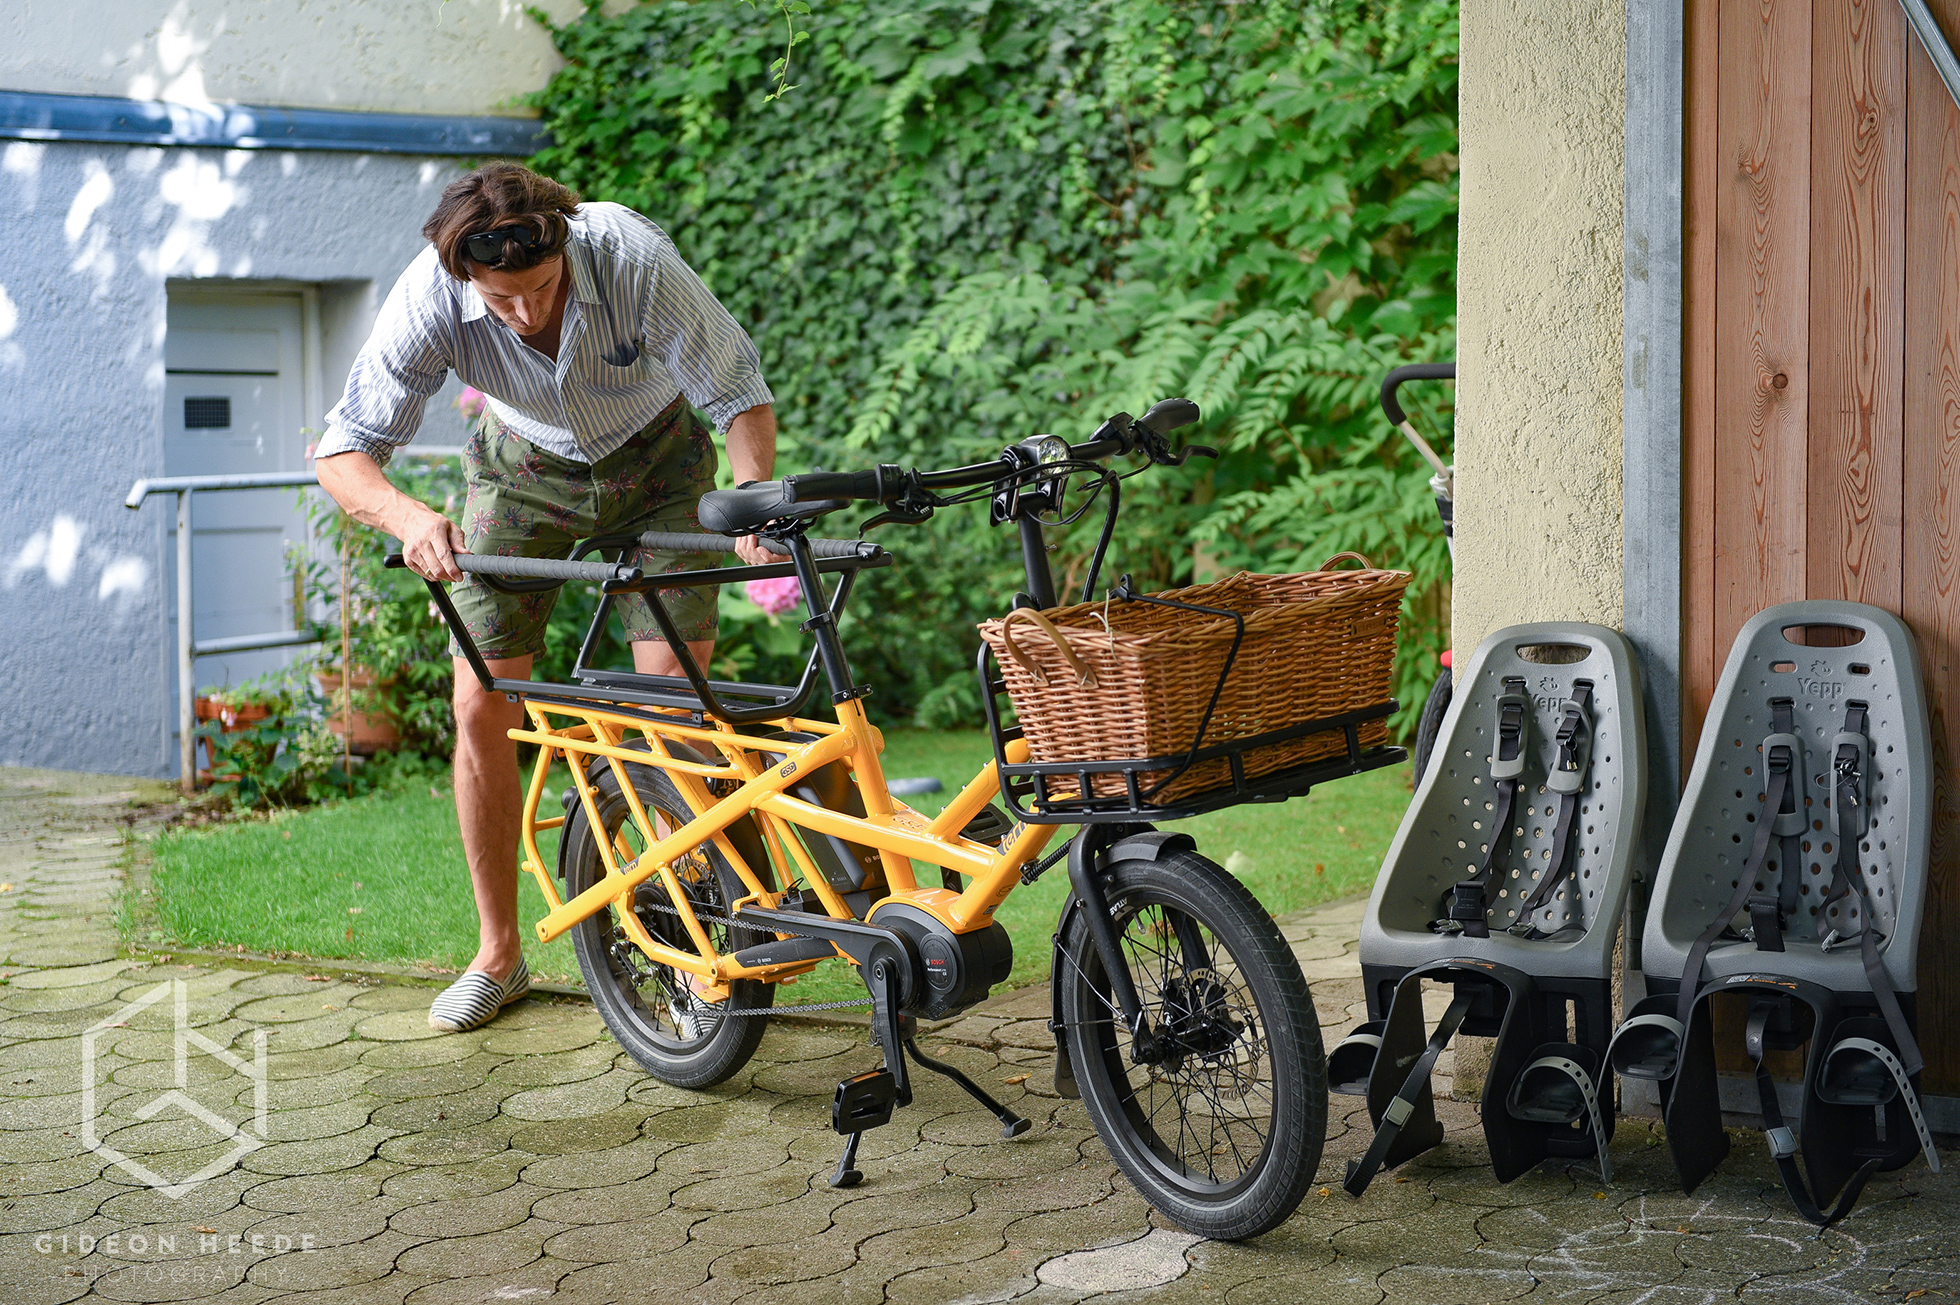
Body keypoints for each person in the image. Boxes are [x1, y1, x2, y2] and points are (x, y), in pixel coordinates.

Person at [312, 162, 777, 1032]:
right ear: (465, 278)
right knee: (479, 699)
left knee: (677, 701)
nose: (526, 312)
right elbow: (345, 450)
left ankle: (722, 936)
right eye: (503, 301)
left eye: (541, 289)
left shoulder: (629, 254)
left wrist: (751, 495)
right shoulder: (428, 297)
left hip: (660, 461)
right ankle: (498, 954)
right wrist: (409, 516)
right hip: (521, 470)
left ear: (564, 248)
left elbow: (737, 390)